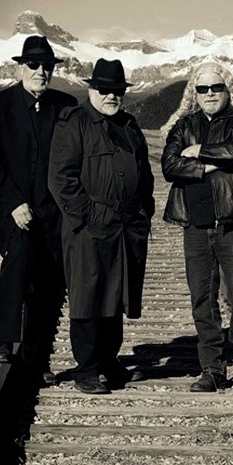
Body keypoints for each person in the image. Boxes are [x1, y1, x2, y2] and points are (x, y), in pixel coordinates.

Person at [48, 58, 155, 394]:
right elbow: (60, 178)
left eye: (118, 91)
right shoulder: (74, 123)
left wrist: (144, 212)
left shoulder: (129, 124)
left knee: (117, 294)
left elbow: (145, 174)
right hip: (91, 226)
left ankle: (110, 360)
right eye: (105, 90)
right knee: (88, 294)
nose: (112, 96)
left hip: (126, 225)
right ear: (91, 89)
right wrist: (86, 216)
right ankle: (87, 368)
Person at [161, 60, 233, 396]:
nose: (209, 94)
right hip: (195, 222)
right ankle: (212, 369)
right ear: (194, 92)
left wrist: (200, 154)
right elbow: (169, 164)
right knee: (202, 300)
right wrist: (210, 166)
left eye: (215, 87)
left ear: (227, 89)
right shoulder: (183, 124)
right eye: (202, 88)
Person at [0, 35, 77, 374]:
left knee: (49, 280)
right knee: (18, 264)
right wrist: (15, 202)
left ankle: (36, 358)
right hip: (14, 208)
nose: (41, 71)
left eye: (47, 66)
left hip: (53, 211)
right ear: (20, 67)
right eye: (33, 65)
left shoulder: (65, 106)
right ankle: (4, 343)